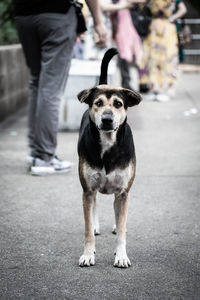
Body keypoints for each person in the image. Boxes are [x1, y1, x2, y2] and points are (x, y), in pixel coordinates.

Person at [13, 0, 107, 176]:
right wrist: (98, 22)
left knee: (36, 81)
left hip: (24, 15)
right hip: (57, 14)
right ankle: (44, 157)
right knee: (51, 88)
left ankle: (35, 152)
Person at [139, 0, 187, 102]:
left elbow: (183, 9)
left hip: (167, 31)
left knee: (167, 59)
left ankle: (164, 89)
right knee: (151, 58)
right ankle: (153, 88)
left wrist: (172, 18)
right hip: (153, 29)